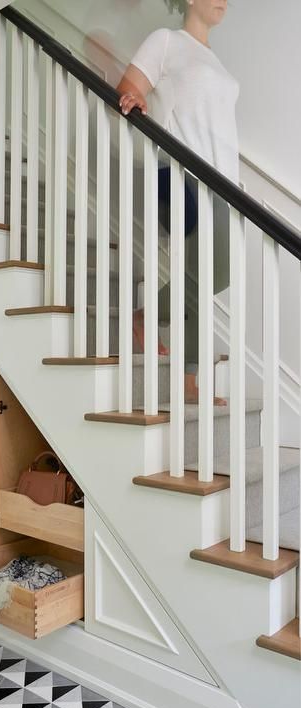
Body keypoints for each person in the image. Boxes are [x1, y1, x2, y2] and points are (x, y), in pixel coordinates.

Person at [117, 0, 239, 405]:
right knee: (203, 273)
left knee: (217, 275)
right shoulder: (167, 42)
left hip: (221, 182)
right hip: (180, 174)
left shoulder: (217, 63)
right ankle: (188, 383)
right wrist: (135, 100)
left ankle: (144, 316)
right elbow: (129, 87)